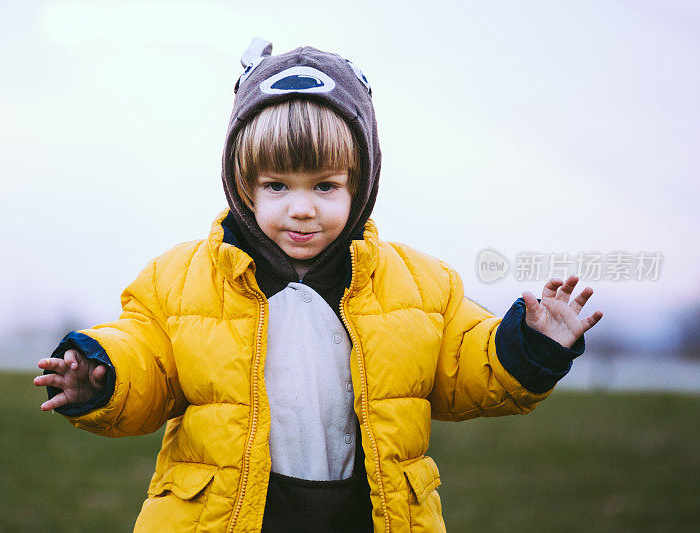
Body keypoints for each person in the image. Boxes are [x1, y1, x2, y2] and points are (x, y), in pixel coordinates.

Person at [33, 38, 602, 532]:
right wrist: (102, 373)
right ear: (242, 186)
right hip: (225, 518)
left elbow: (464, 366)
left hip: (368, 518)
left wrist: (532, 346)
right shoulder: (182, 281)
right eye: (277, 186)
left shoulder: (420, 286)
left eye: (325, 186)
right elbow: (147, 356)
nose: (300, 210)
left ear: (361, 184)